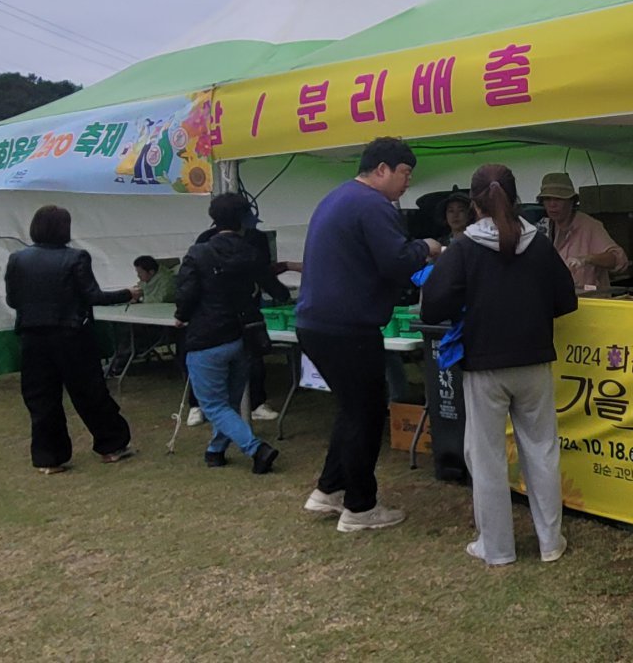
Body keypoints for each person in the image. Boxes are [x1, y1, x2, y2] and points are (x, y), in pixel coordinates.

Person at [421, 164, 577, 565]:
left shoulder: (464, 249)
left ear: (474, 205)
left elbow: (433, 304)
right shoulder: (538, 243)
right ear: (516, 197)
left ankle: (497, 548)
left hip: (484, 365)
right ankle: (550, 543)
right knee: (542, 451)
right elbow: (567, 300)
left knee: (486, 456)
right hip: (534, 361)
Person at [297, 136, 443, 532]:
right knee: (366, 413)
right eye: (404, 174)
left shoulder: (337, 197)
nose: (406, 184)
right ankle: (360, 508)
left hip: (316, 323)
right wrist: (428, 247)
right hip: (347, 327)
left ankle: (328, 490)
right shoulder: (373, 205)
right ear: (381, 169)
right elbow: (395, 261)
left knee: (351, 408)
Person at [4, 204, 140, 474]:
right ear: (64, 229)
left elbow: (12, 300)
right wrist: (128, 293)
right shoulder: (77, 257)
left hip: (32, 336)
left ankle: (49, 458)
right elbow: (93, 296)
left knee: (41, 398)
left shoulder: (17, 259)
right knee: (89, 392)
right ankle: (111, 446)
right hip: (71, 336)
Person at [174, 193, 282, 474]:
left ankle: (256, 449)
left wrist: (181, 317)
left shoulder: (198, 253)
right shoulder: (253, 252)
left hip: (207, 336)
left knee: (212, 405)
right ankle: (215, 451)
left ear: (213, 218)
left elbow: (186, 293)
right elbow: (274, 288)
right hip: (243, 336)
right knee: (230, 402)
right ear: (244, 220)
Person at [536, 172, 629, 288]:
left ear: (571, 201)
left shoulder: (590, 226)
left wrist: (587, 259)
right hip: (556, 302)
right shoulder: (542, 227)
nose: (552, 204)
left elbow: (618, 260)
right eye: (547, 199)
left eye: (558, 199)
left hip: (589, 302)